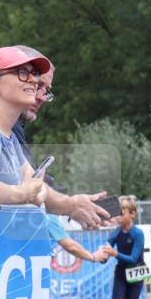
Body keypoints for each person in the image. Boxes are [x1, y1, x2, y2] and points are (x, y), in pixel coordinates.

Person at [9, 46, 111, 228]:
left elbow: (30, 180)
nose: (40, 97)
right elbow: (17, 184)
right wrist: (70, 204)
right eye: (37, 85)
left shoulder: (10, 127)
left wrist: (70, 203)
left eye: (45, 90)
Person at [0, 47, 49, 206]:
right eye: (22, 73)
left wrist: (31, 192)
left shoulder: (8, 135)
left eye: (34, 73)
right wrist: (26, 193)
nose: (34, 81)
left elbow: (36, 183)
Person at [97, 196, 146, 299]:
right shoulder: (116, 232)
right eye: (117, 213)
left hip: (137, 274)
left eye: (122, 213)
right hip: (121, 274)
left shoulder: (138, 233)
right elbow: (106, 250)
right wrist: (102, 256)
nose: (118, 217)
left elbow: (133, 258)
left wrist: (114, 253)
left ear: (132, 214)